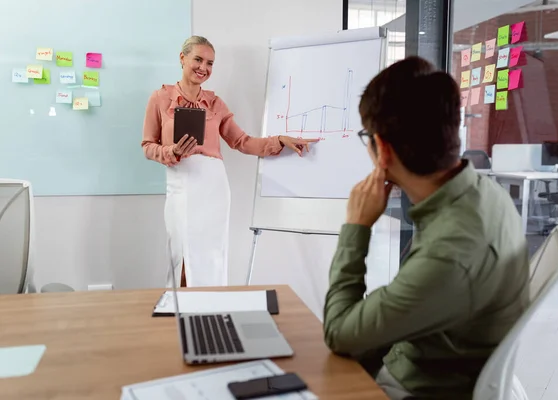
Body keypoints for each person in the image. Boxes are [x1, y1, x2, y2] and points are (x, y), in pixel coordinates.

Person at [322, 56, 530, 399]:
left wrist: (356, 227)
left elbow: (339, 333)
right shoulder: (484, 193)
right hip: (420, 359)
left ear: (383, 150)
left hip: (411, 387)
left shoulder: (449, 252)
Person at [142, 36, 317, 288]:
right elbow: (148, 146)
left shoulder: (215, 103)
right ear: (182, 58)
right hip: (181, 181)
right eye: (198, 59)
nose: (204, 68)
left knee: (212, 254)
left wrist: (279, 140)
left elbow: (242, 141)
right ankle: (179, 312)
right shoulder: (160, 98)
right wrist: (172, 151)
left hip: (214, 185)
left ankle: (209, 311)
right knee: (180, 252)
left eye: (210, 63)